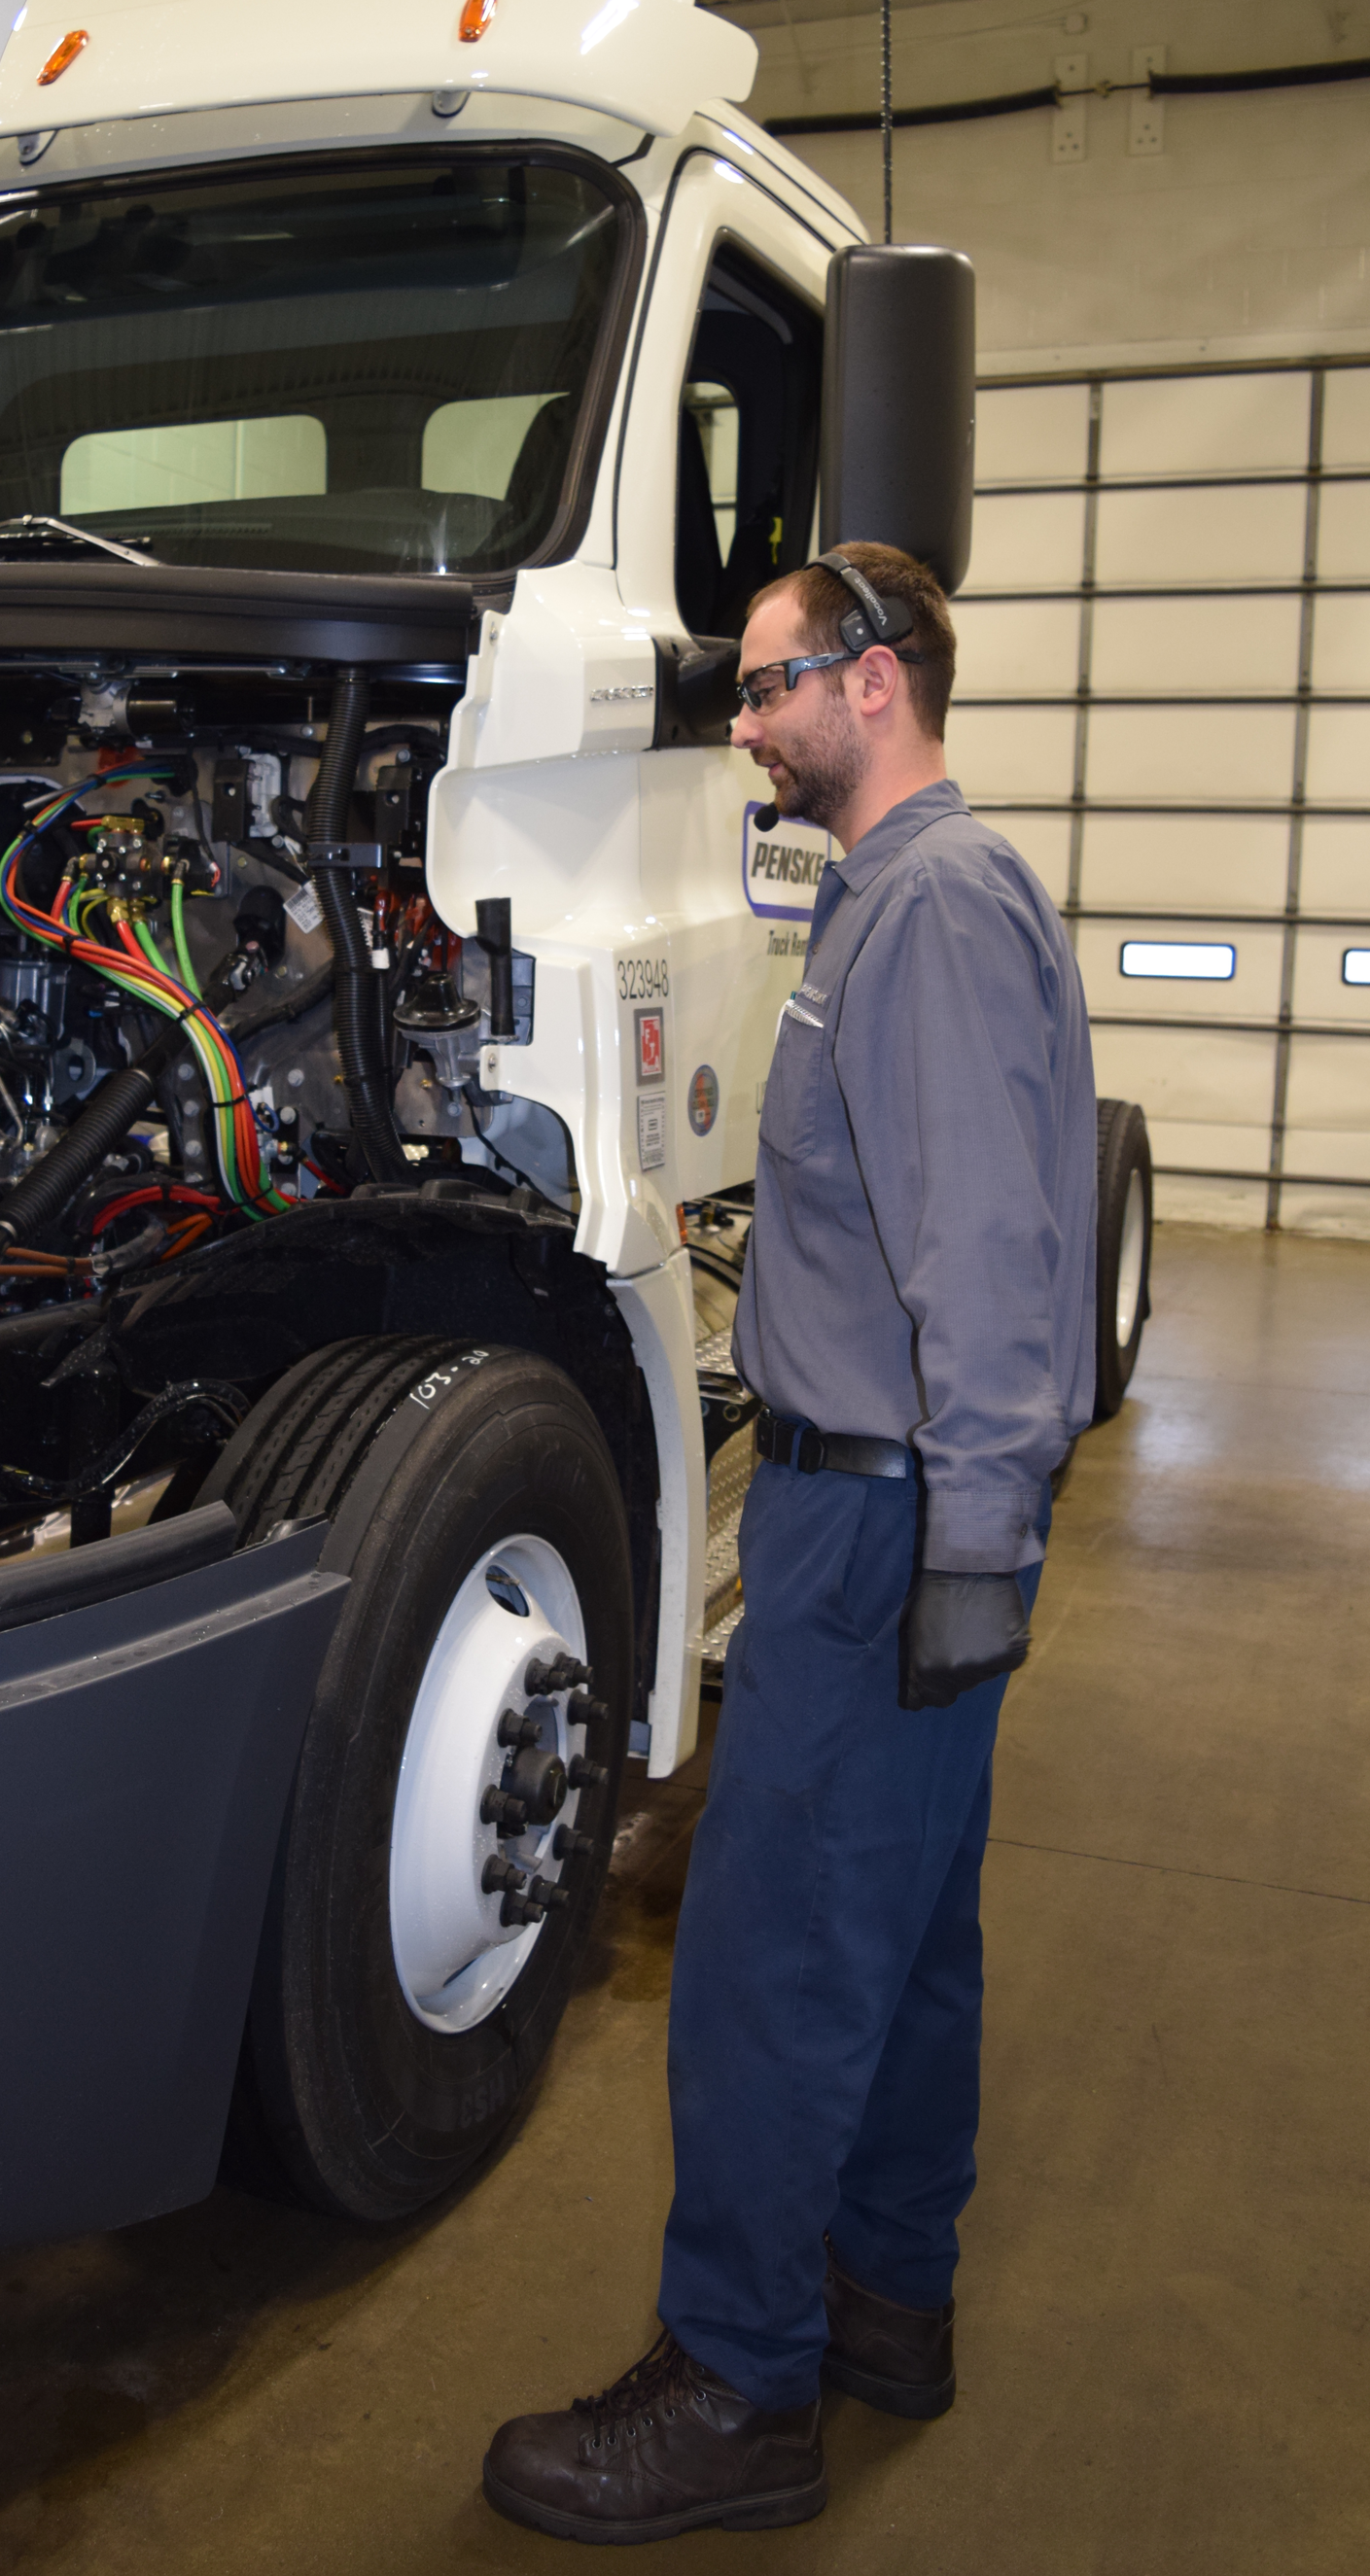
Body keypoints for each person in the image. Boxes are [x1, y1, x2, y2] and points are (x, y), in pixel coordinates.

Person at [483, 542, 1098, 2544]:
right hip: (898, 1500)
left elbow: (994, 1256)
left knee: (771, 1962)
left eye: (768, 690)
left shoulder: (929, 907)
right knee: (908, 1946)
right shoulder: (899, 902)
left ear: (880, 681)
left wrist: (975, 1547)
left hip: (883, 1512)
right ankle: (885, 2307)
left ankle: (741, 2387)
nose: (742, 728)